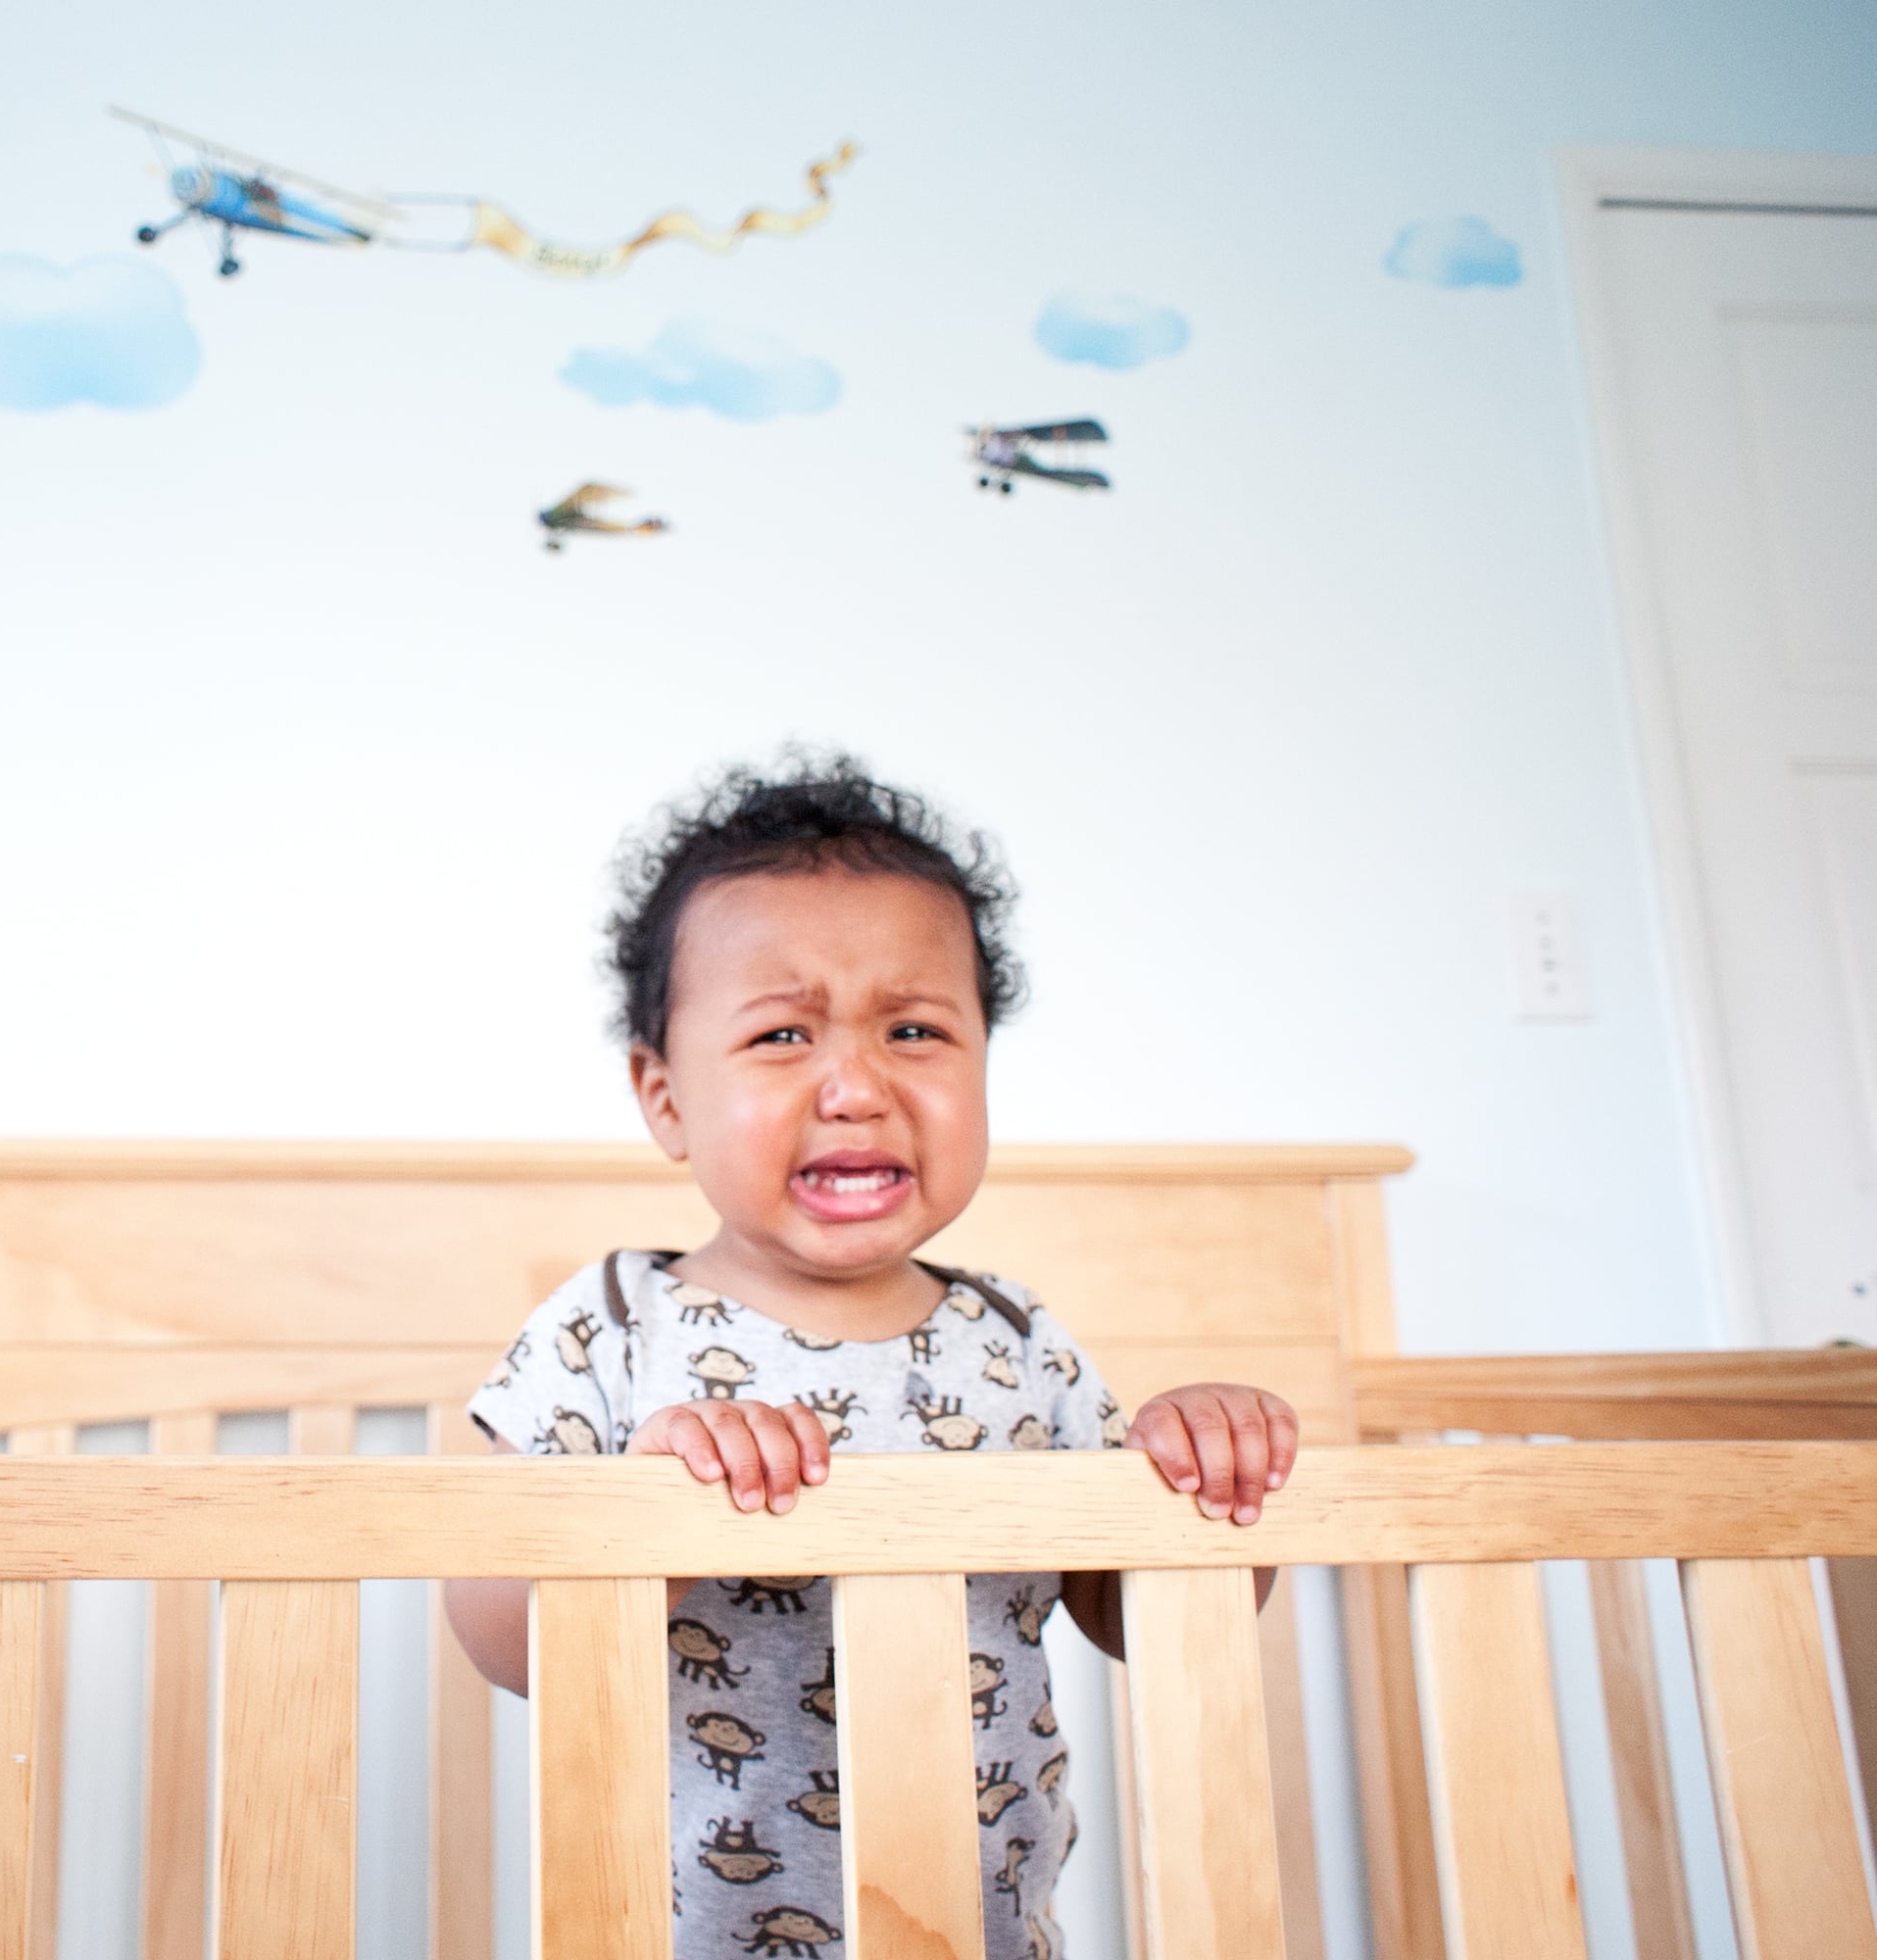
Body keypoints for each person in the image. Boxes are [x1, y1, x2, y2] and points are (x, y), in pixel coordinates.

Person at [444, 756, 1296, 1960]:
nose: (856, 1083)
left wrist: (1199, 1472)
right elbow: (499, 1633)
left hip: (982, 1931)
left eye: (916, 1029)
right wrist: (640, 1515)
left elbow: (1142, 1610)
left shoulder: (1017, 1339)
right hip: (675, 1934)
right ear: (666, 1095)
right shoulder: (612, 1324)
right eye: (782, 1032)